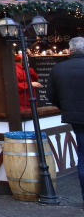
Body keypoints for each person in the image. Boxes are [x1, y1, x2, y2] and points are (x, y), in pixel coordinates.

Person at [46, 36, 84, 204]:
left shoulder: (59, 68)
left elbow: (50, 95)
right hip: (75, 116)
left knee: (83, 156)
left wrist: (66, 107)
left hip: (75, 118)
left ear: (70, 50)